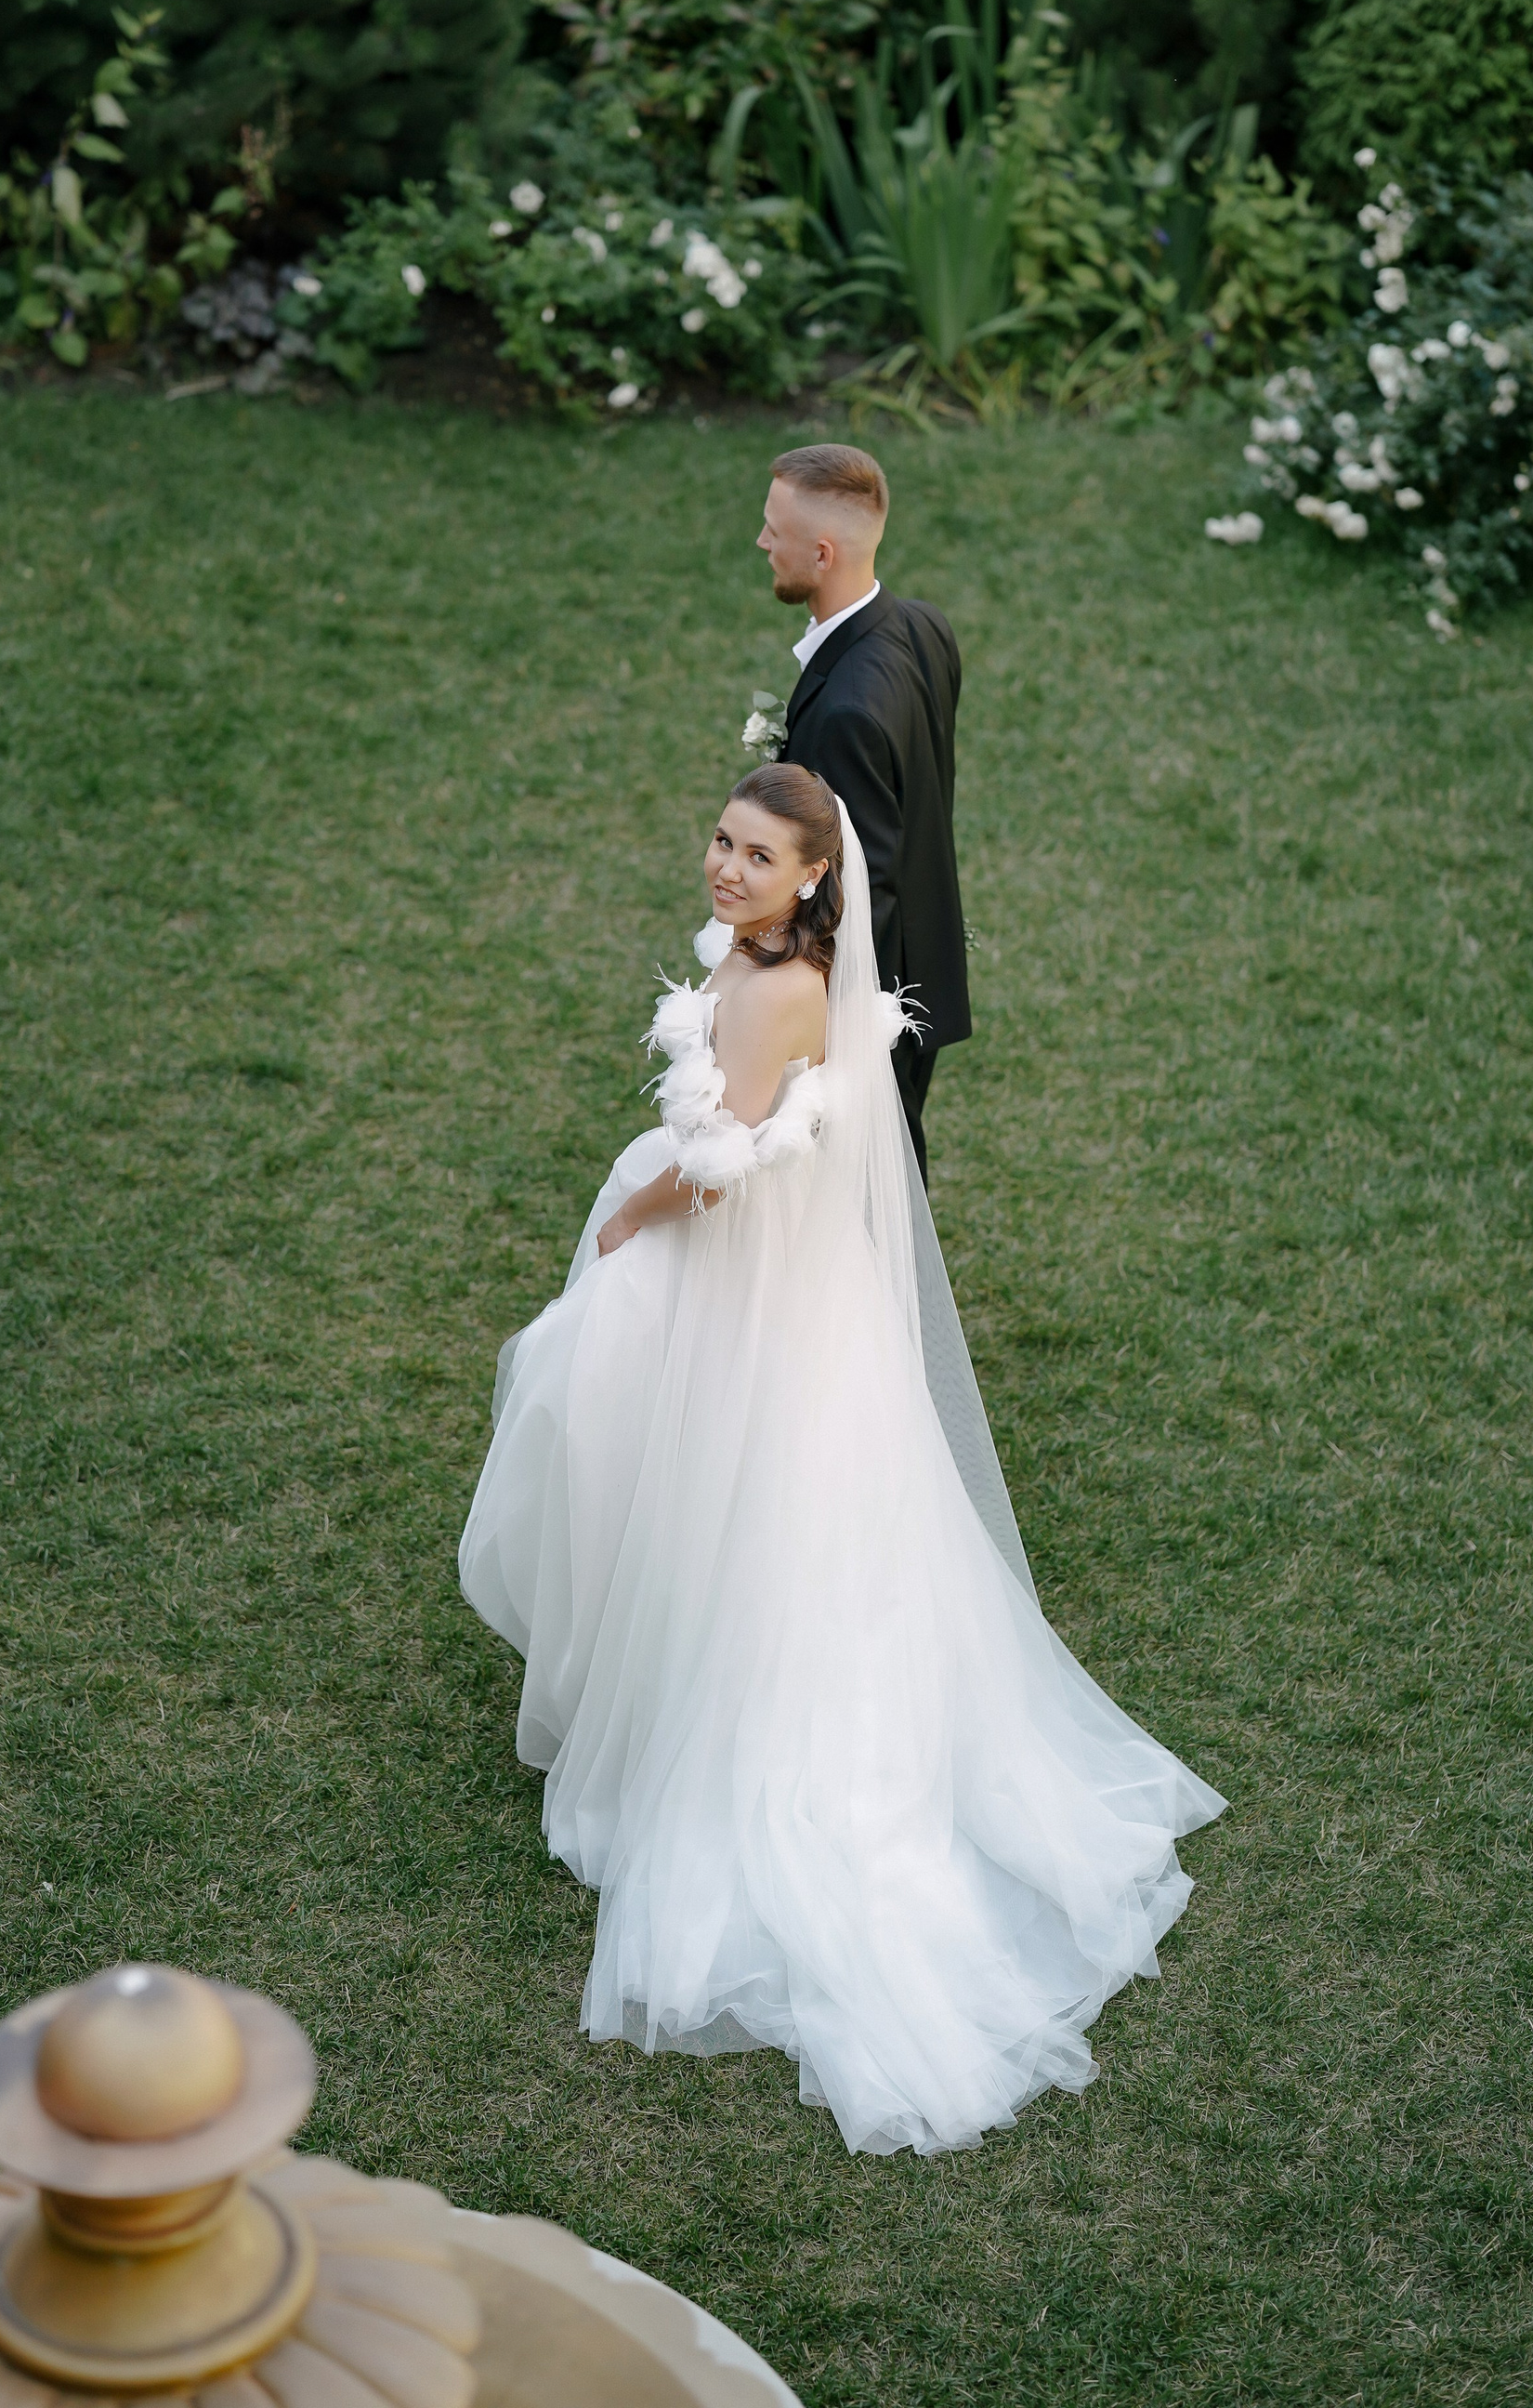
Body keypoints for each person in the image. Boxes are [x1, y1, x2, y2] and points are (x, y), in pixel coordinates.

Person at [458, 763, 1225, 2158]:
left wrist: (628, 1216)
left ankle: (693, 1712)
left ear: (816, 875)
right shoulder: (781, 960)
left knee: (665, 1461)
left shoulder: (772, 993)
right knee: (763, 1499)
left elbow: (716, 1169)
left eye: (757, 855)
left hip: (735, 1278)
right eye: (721, 839)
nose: (726, 868)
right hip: (801, 1282)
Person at [762, 443, 966, 1182]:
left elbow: (859, 886)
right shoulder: (922, 626)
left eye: (774, 530)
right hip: (926, 964)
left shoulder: (846, 711)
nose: (762, 542)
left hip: (871, 1002)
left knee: (861, 1193)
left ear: (821, 554)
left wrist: (815, 1030)